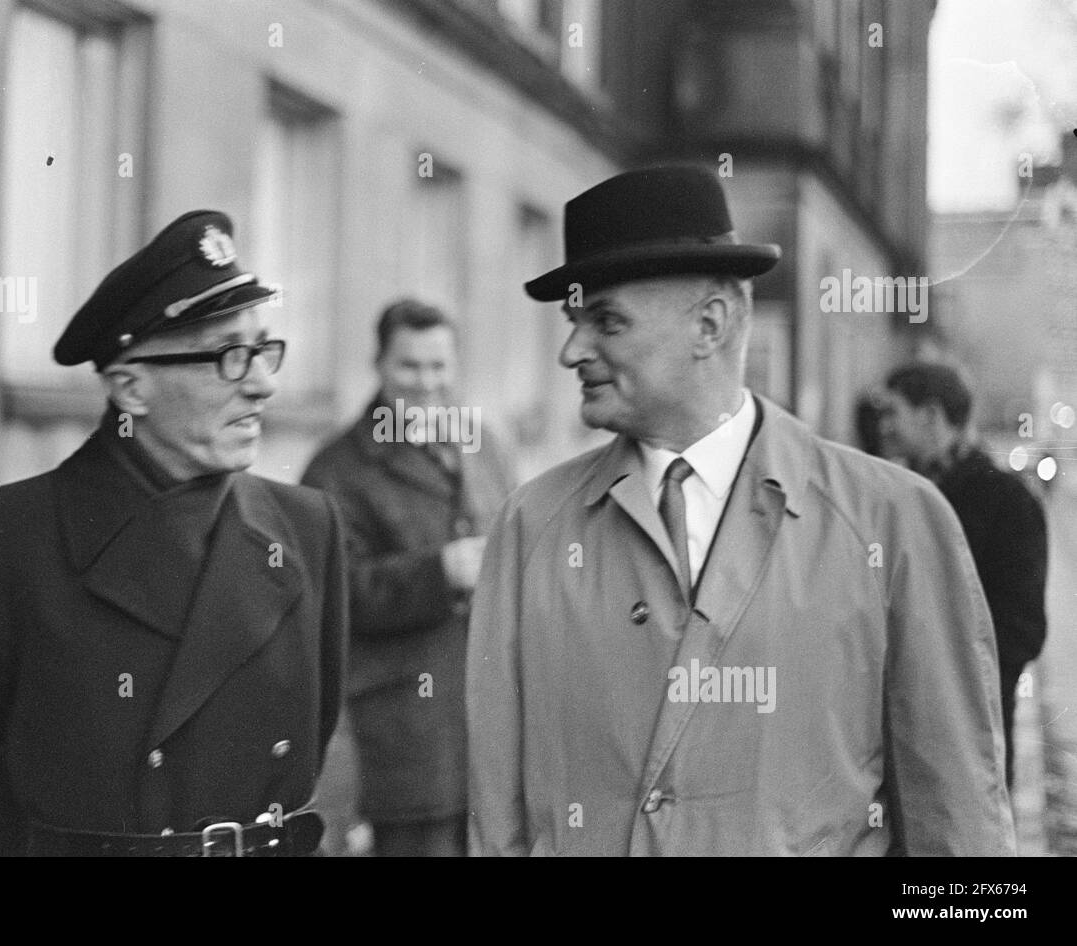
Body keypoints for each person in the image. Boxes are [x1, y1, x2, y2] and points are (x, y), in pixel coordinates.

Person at [466, 166, 1016, 856]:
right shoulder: (531, 526)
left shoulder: (893, 519)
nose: (572, 349)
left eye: (605, 319)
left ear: (711, 322)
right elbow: (497, 815)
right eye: (573, 321)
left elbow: (958, 817)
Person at [0, 210, 347, 857]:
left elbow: (313, 729)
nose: (264, 383)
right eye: (228, 356)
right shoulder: (0, 542)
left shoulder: (307, 525)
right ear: (131, 387)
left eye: (264, 349)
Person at [301, 299, 514, 856]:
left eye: (439, 367)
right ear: (379, 365)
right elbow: (335, 595)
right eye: (410, 367)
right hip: (404, 741)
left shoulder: (483, 444)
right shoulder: (338, 468)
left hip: (487, 732)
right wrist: (439, 571)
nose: (427, 383)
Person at [880, 362, 1048, 787]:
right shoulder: (891, 492)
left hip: (973, 732)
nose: (883, 428)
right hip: (898, 731)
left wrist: (948, 669)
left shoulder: (1007, 501)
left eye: (892, 413)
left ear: (931, 416)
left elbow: (1022, 628)